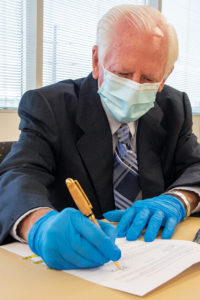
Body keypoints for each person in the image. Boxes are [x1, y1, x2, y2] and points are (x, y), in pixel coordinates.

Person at [0, 4, 200, 270]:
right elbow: (18, 173)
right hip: (78, 268)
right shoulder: (49, 106)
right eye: (123, 74)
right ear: (96, 61)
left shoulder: (174, 106)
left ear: (164, 77)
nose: (133, 88)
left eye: (149, 78)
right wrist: (38, 224)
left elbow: (195, 166)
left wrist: (179, 199)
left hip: (154, 261)